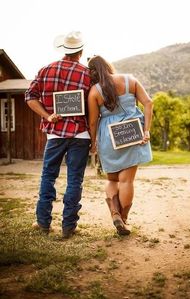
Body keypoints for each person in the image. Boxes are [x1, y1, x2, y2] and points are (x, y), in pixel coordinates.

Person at [25, 31, 91, 238]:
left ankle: (43, 223)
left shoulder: (46, 70)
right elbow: (95, 105)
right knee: (75, 180)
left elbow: (30, 97)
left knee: (48, 176)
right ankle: (68, 226)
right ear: (80, 51)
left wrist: (47, 115)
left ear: (63, 50)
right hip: (80, 134)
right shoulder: (88, 73)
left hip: (54, 134)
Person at [88, 55, 153, 236]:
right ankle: (123, 220)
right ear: (109, 66)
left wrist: (93, 144)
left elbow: (93, 122)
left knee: (112, 180)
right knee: (127, 181)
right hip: (132, 132)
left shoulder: (94, 91)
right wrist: (146, 130)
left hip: (109, 136)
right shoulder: (129, 80)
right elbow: (149, 102)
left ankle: (115, 214)